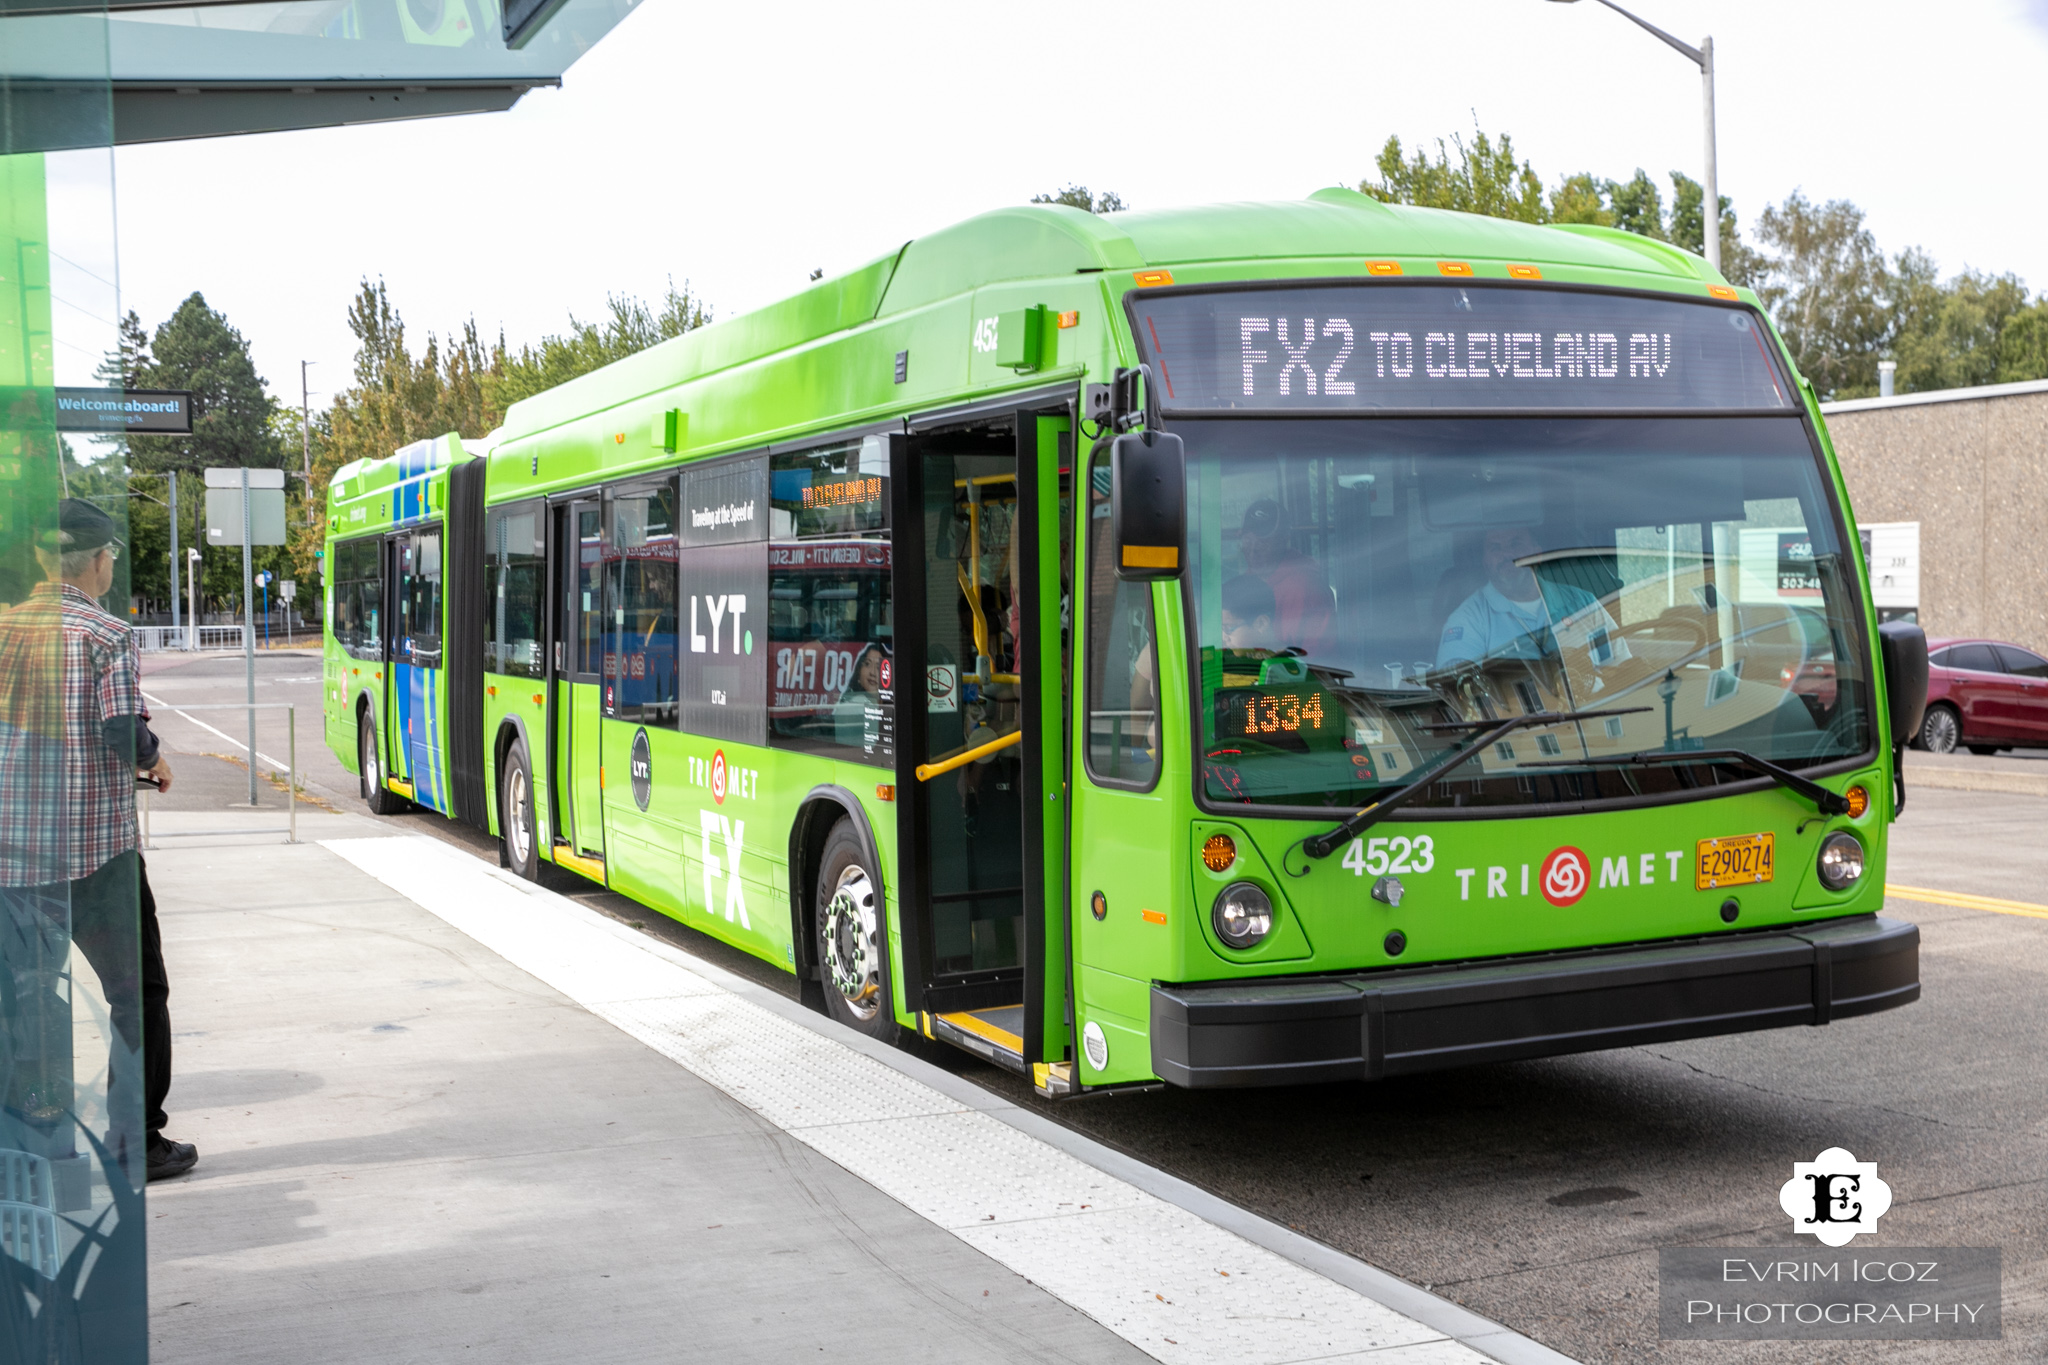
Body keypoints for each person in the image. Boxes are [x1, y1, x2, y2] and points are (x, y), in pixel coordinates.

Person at [0, 499, 194, 1183]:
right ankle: (134, 1139)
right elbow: (121, 731)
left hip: (13, 856)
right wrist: (153, 756)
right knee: (136, 991)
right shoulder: (105, 633)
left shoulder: (2, 630)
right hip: (95, 853)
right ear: (101, 560)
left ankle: (41, 1144)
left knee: (31, 997)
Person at [1435, 525, 1623, 670]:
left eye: (1515, 544)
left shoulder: (1583, 603)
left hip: (1591, 717)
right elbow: (1461, 697)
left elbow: (1622, 670)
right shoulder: (1467, 620)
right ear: (1485, 561)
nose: (1506, 554)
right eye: (1495, 548)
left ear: (1538, 554)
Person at [1239, 499, 1333, 657]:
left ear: (1285, 539)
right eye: (1247, 541)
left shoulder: (1307, 588)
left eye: (1262, 542)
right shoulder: (1244, 584)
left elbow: (1316, 660)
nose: (1253, 550)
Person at [1220, 574, 1279, 653]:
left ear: (1261, 623)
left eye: (1229, 628)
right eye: (1221, 628)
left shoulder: (1282, 664)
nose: (1224, 638)